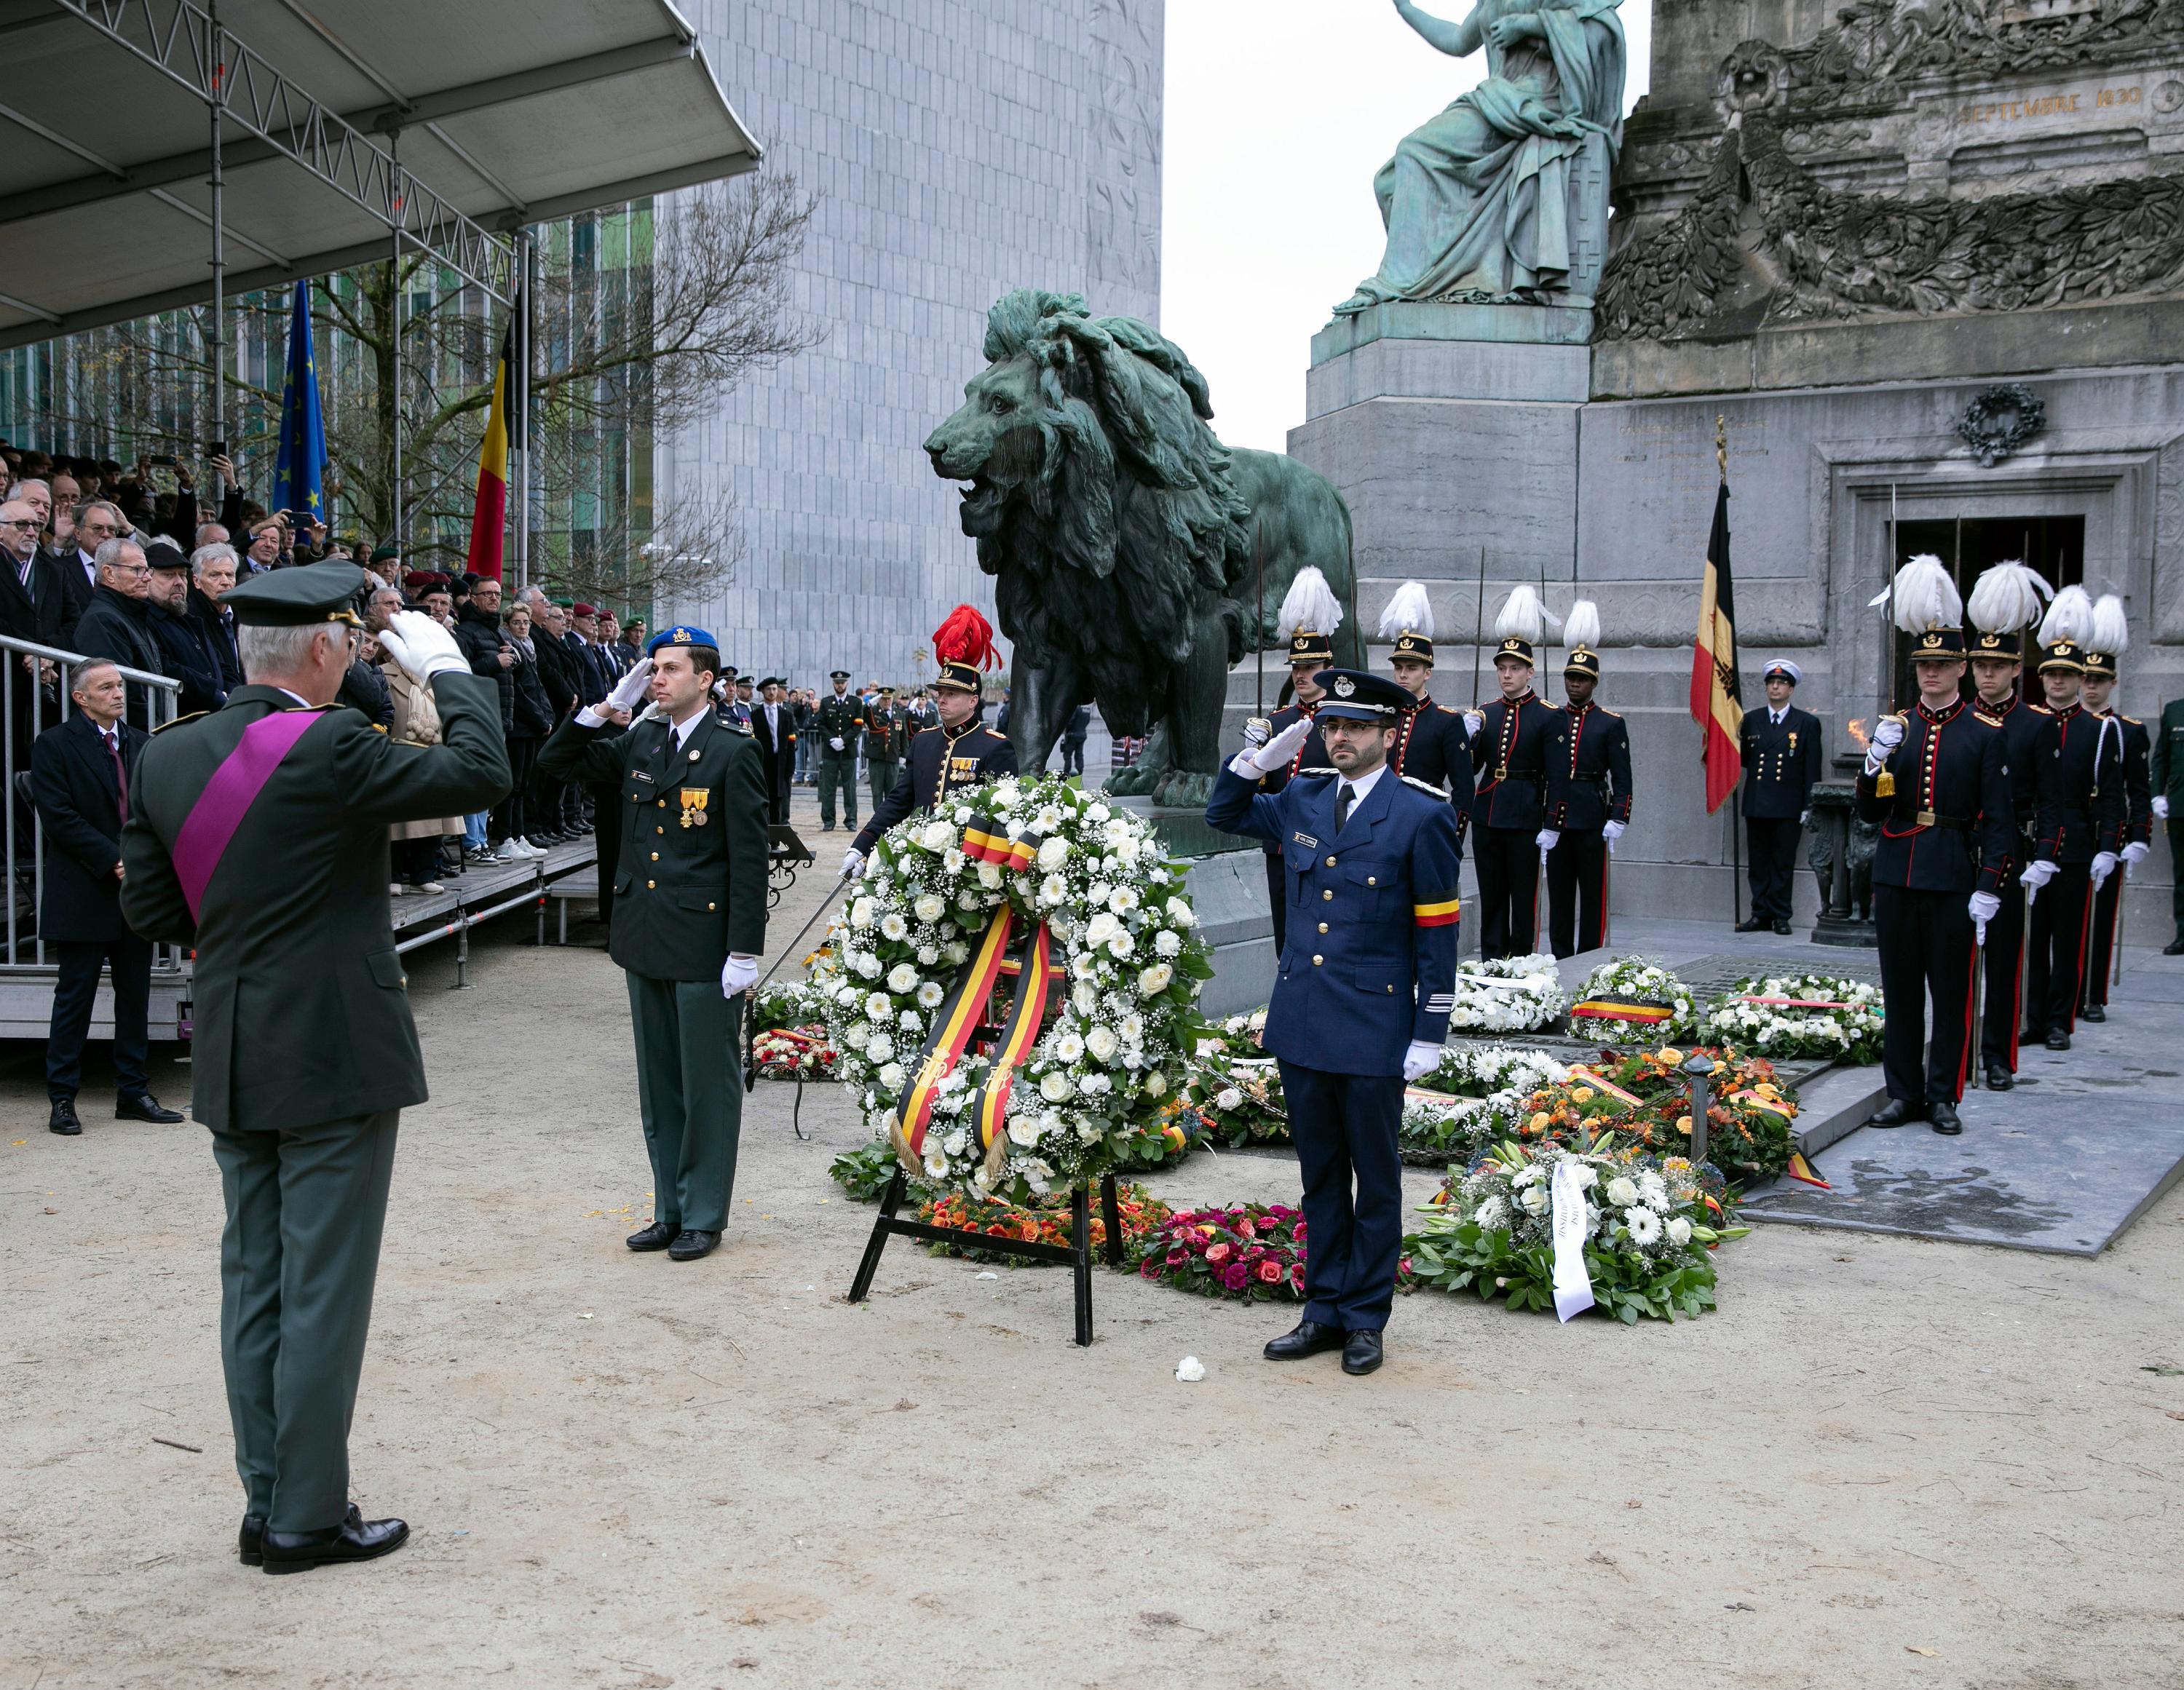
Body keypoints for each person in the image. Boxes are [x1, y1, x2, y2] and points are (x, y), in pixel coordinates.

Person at [119, 561, 510, 1574]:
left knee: (256, 1281)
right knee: (325, 1288)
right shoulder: (334, 745)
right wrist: (450, 664)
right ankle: (306, 1515)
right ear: (331, 650)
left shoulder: (165, 755)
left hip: (235, 1050)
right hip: (333, 1051)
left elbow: (157, 914)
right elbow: (479, 773)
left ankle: (267, 1499)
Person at [1204, 667, 1460, 1376]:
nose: (1338, 737)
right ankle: (1321, 1310)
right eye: (1331, 726)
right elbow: (1223, 815)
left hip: (1376, 1026)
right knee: (1320, 1177)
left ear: (1389, 733)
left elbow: (1437, 935)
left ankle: (1365, 1318)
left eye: (1354, 727)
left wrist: (1429, 1030)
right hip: (1304, 1021)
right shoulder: (1304, 797)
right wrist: (1254, 765)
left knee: (1374, 1179)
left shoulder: (1421, 814)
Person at [537, 627, 769, 1263]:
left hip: (704, 943)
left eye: (669, 669)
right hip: (645, 937)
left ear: (705, 680)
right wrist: (600, 711)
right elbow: (554, 764)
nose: (657, 679)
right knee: (659, 1085)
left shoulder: (732, 751)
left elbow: (749, 860)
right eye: (652, 670)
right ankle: (669, 1209)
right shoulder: (639, 737)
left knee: (707, 1088)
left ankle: (703, 1214)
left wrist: (744, 950)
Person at [1856, 560, 2014, 1136]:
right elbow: (1872, 812)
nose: (1931, 673)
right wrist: (1875, 761)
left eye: (1942, 664)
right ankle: (1902, 1094)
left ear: (1960, 669)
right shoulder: (1897, 728)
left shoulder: (1982, 734)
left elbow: (1999, 822)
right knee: (1900, 995)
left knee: (1949, 995)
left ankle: (1942, 1095)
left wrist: (1989, 887)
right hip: (1897, 873)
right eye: (1923, 664)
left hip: (1951, 875)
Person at [31, 660, 183, 1135]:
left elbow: (158, 809)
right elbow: (58, 816)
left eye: (120, 685)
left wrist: (144, 863)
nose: (118, 693)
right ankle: (62, 1097)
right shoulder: (53, 746)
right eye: (106, 687)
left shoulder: (142, 743)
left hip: (134, 893)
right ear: (81, 697)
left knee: (134, 994)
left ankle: (133, 1091)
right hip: (84, 887)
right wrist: (115, 860)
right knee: (74, 997)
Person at [2019, 590, 2126, 1052]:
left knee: (2068, 940)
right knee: (2032, 939)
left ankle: (2061, 1020)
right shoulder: (2027, 724)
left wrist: (2109, 846)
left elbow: (2110, 797)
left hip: (2077, 846)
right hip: (2033, 846)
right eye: (2052, 673)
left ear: (2081, 678)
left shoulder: (2099, 730)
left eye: (2066, 674)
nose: (2058, 681)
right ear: (2042, 678)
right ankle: (2034, 1017)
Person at [1963, 562, 2052, 1090]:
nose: (1989, 674)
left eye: (1999, 666)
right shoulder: (1960, 721)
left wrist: (2044, 854)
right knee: (1958, 959)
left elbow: (2051, 798)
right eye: (1981, 666)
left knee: (2003, 960)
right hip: (1960, 845)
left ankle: (1997, 1053)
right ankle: (1960, 1048)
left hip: (2010, 851)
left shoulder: (2035, 725)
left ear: (2017, 668)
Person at [844, 608, 1016, 873]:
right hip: (922, 858)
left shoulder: (994, 746)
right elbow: (900, 800)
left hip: (968, 869)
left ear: (973, 701)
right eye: (940, 693)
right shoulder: (924, 742)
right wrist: (862, 846)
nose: (942, 699)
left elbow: (1004, 817)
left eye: (952, 694)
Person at [1238, 569, 1342, 957]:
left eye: (1310, 667)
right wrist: (1253, 758)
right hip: (1281, 846)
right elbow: (1260, 790)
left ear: (1327, 668)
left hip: (1324, 844)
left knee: (1322, 935)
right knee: (1285, 934)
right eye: (1297, 668)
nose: (1301, 675)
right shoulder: (1276, 722)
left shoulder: (1339, 722)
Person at [1466, 587, 1557, 958]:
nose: (1507, 675)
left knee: (1523, 897)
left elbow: (1557, 776)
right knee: (1491, 894)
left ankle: (1522, 962)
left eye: (1515, 669)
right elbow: (1473, 768)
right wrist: (1467, 739)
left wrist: (1552, 822)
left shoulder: (1548, 715)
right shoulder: (1486, 711)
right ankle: (1491, 961)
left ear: (1530, 671)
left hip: (1525, 812)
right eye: (1502, 669)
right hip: (1488, 810)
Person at [1540, 602, 1630, 958]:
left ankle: (1591, 953)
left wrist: (1619, 817)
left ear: (1594, 682)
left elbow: (1623, 776)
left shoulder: (1610, 723)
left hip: (1593, 814)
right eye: (1570, 678)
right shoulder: (1552, 718)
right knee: (1560, 893)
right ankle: (1561, 954)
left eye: (1582, 679)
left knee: (1593, 893)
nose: (1574, 684)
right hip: (1557, 817)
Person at [2078, 598, 2151, 1023]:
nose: (2090, 687)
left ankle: (2093, 995)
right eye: (2085, 679)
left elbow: (2138, 791)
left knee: (2100, 919)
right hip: (2069, 828)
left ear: (2113, 683)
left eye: (2099, 681)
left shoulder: (2127, 731)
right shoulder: (2058, 724)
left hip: (2108, 830)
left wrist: (2138, 836)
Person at [368, 585, 462, 895]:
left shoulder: (432, 673)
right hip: (397, 751)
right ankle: (393, 876)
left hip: (432, 752)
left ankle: (424, 873)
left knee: (432, 816)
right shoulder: (382, 673)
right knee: (398, 819)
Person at [1377, 579, 1476, 850]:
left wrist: (1449, 835)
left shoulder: (1446, 721)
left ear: (1427, 672)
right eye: (1398, 667)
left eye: (1412, 668)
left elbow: (1464, 789)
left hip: (1424, 825)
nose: (1403, 674)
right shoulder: (1383, 716)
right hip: (1379, 826)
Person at [1737, 658, 1823, 935]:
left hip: (1788, 805)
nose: (1775, 687)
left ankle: (1781, 915)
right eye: (1771, 683)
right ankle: (1760, 913)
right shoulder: (1751, 720)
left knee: (1783, 863)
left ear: (1791, 689)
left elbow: (1812, 768)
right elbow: (1746, 761)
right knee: (1759, 863)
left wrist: (1809, 805)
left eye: (1781, 683)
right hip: (1758, 802)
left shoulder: (1806, 723)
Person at [71, 537, 167, 726]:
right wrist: (154, 733)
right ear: (109, 573)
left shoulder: (130, 614)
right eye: (137, 570)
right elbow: (124, 694)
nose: (147, 577)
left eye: (148, 570)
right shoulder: (103, 621)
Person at [143, 541, 229, 716]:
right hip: (184, 722)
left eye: (182, 575)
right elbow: (167, 668)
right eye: (168, 575)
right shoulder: (145, 620)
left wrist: (234, 694)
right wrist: (214, 694)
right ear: (147, 577)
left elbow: (222, 665)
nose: (179, 582)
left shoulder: (189, 618)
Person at [189, 542, 244, 696]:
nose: (225, 581)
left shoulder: (244, 614)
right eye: (215, 575)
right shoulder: (190, 617)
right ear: (196, 581)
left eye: (230, 575)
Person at [814, 669, 863, 831]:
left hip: (848, 751)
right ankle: (828, 820)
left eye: (842, 683)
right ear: (833, 684)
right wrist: (831, 740)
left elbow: (858, 724)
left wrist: (844, 740)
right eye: (837, 683)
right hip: (831, 751)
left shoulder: (855, 703)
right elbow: (821, 724)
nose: (840, 685)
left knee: (850, 788)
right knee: (828, 788)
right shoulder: (827, 702)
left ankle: (851, 820)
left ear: (847, 684)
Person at [751, 677, 796, 824]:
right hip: (763, 763)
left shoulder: (786, 714)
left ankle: (776, 838)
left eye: (774, 689)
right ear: (763, 691)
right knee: (763, 798)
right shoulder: (756, 715)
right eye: (769, 689)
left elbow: (791, 742)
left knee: (778, 801)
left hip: (780, 762)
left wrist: (791, 765)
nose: (772, 692)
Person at [863, 684, 903, 810]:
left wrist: (903, 755)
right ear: (879, 699)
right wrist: (868, 705)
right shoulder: (873, 712)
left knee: (892, 791)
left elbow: (903, 735)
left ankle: (889, 818)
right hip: (877, 756)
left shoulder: (899, 713)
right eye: (884, 699)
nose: (887, 702)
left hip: (893, 756)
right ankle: (878, 818)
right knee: (877, 791)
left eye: (889, 699)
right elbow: (862, 716)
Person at [1061, 702, 1091, 778]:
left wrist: (1067, 730)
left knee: (1067, 755)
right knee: (1079, 755)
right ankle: (1079, 774)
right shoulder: (1087, 709)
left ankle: (1066, 774)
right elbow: (1087, 721)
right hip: (1082, 734)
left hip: (1072, 735)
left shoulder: (1076, 708)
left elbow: (1070, 721)